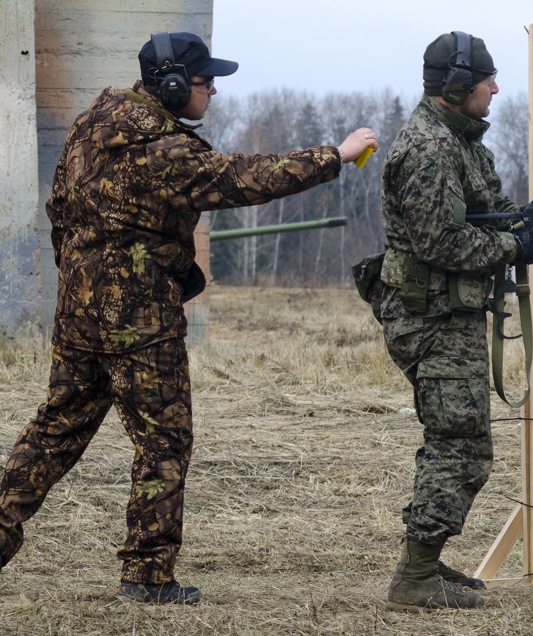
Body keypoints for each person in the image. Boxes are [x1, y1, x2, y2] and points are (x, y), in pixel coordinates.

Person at [0, 31, 378, 605]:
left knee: (56, 429)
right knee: (163, 441)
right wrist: (337, 155)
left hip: (79, 314)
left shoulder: (90, 127)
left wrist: (92, 280)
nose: (214, 93)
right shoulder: (164, 149)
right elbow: (244, 178)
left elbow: (59, 213)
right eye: (206, 83)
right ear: (173, 86)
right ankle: (148, 577)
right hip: (141, 325)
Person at [376, 31, 533, 610]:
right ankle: (414, 581)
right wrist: (513, 245)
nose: (496, 89)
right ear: (456, 87)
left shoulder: (464, 145)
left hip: (449, 313)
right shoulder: (428, 150)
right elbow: (439, 241)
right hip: (429, 318)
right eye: (486, 80)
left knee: (459, 440)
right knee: (461, 444)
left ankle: (422, 563)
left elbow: (489, 221)